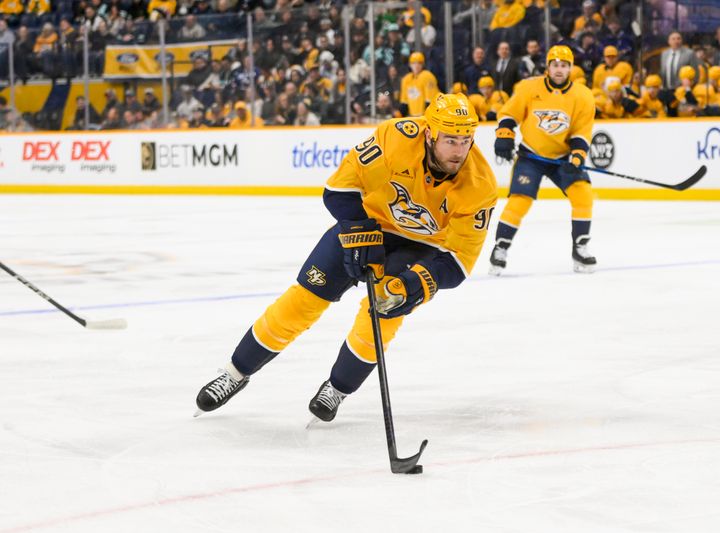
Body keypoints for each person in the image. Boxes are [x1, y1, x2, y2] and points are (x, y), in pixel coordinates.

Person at [194, 94, 497, 422]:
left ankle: (337, 388)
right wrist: (360, 235)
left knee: (383, 312)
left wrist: (420, 282)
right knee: (302, 301)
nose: (458, 151)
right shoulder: (396, 137)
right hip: (369, 222)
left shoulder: (480, 185)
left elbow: (460, 259)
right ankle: (235, 372)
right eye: (450, 140)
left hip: (420, 247)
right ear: (429, 134)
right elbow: (339, 189)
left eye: (465, 141)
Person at [489, 45, 597, 275]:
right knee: (520, 200)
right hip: (531, 155)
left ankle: (580, 247)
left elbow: (581, 132)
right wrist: (505, 136)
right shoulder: (529, 87)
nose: (559, 69)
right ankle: (500, 248)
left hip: (563, 157)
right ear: (548, 66)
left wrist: (576, 159)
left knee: (583, 194)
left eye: (564, 65)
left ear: (570, 68)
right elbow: (510, 114)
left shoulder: (583, 95)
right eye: (555, 64)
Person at [399, 51, 439, 117]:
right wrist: (398, 114)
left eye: (419, 63)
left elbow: (430, 102)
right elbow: (404, 103)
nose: (416, 65)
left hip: (426, 117)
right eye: (413, 63)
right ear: (410, 64)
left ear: (423, 64)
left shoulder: (427, 76)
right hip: (413, 117)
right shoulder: (406, 79)